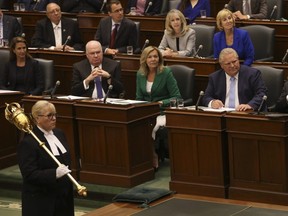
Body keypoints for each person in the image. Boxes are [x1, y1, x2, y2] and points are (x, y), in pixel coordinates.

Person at [18, 100, 74, 216]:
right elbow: (29, 174)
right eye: (49, 115)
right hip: (42, 202)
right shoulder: (28, 143)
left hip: (63, 198)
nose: (54, 118)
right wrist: (54, 173)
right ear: (37, 118)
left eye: (55, 115)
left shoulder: (59, 133)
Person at [136, 46, 181, 170]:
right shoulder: (140, 74)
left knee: (151, 126)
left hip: (163, 112)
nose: (153, 59)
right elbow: (139, 98)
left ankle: (153, 155)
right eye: (150, 57)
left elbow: (177, 97)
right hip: (146, 111)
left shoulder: (166, 72)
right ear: (144, 59)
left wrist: (161, 103)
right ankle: (146, 156)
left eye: (155, 56)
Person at [202, 48, 267, 111]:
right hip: (223, 115)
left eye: (234, 61)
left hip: (246, 115)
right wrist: (212, 102)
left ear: (238, 60)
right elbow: (206, 97)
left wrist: (249, 105)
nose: (232, 65)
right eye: (228, 63)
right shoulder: (215, 77)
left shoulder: (252, 74)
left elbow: (261, 94)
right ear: (221, 65)